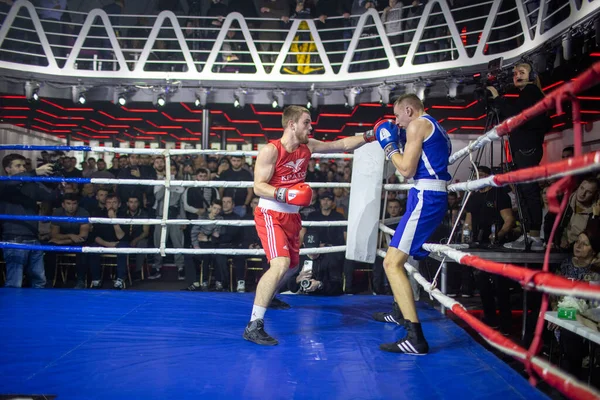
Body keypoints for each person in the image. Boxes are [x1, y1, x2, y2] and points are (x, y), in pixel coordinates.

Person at [243, 105, 376, 345]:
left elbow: (343, 145)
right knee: (280, 264)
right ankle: (254, 324)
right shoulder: (271, 151)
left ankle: (270, 296)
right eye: (306, 122)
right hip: (271, 213)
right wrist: (285, 194)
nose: (311, 126)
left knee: (292, 266)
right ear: (292, 124)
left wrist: (370, 135)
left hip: (293, 216)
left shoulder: (308, 146)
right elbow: (258, 186)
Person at [371, 94, 451, 355]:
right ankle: (399, 312)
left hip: (426, 197)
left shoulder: (418, 124)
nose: (398, 122)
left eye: (398, 116)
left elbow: (405, 169)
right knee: (396, 258)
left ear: (409, 110)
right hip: (426, 195)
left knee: (391, 262)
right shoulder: (436, 126)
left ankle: (415, 338)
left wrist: (389, 146)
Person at [486, 61, 551, 251]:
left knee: (528, 191)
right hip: (525, 149)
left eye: (521, 72)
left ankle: (535, 237)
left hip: (526, 149)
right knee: (523, 191)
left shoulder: (531, 92)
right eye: (515, 73)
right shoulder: (528, 94)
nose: (517, 76)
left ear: (531, 76)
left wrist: (497, 97)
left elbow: (514, 115)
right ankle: (529, 234)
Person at [0, 154, 58, 288]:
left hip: (33, 236)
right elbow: (11, 182)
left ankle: (38, 308)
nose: (22, 169)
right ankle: (13, 308)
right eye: (18, 166)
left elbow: (50, 196)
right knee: (15, 282)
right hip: (13, 237)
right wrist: (35, 172)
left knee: (39, 281)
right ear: (7, 169)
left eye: (24, 165)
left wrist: (54, 181)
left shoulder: (30, 183)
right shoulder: (4, 183)